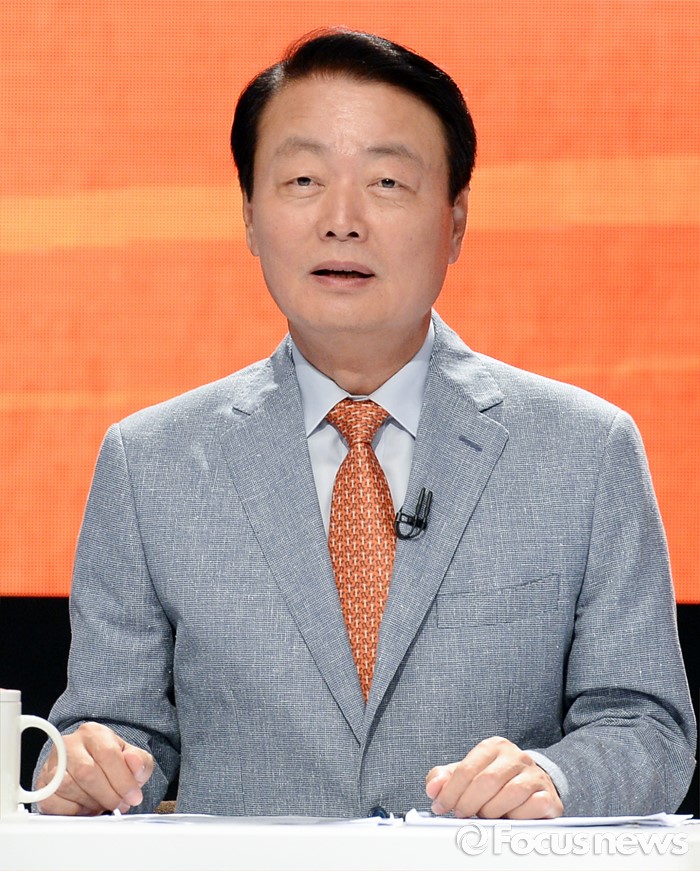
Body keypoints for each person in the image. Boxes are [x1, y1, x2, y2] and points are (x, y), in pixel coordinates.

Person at [35, 28, 695, 820]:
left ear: (455, 221)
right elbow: (103, 734)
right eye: (303, 179)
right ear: (250, 216)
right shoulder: (149, 463)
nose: (342, 220)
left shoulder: (586, 451)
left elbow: (646, 727)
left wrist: (555, 777)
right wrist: (84, 769)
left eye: (387, 181)